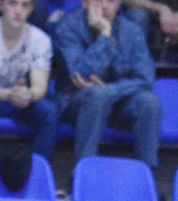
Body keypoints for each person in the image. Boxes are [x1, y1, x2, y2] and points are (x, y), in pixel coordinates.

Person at [53, 0, 161, 170]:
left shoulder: (132, 31)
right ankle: (83, 171)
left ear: (119, 4)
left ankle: (148, 174)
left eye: (110, 1)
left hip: (118, 101)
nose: (104, 5)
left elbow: (145, 80)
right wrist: (105, 35)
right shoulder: (67, 27)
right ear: (85, 2)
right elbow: (81, 74)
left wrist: (111, 90)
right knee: (97, 96)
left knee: (149, 102)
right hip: (75, 101)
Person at [0, 0, 56, 160]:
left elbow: (40, 88)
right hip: (5, 96)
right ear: (1, 5)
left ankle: (37, 168)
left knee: (48, 111)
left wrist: (28, 95)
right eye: (12, 3)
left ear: (31, 9)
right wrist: (8, 94)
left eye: (25, 5)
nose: (18, 11)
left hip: (17, 101)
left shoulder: (40, 40)